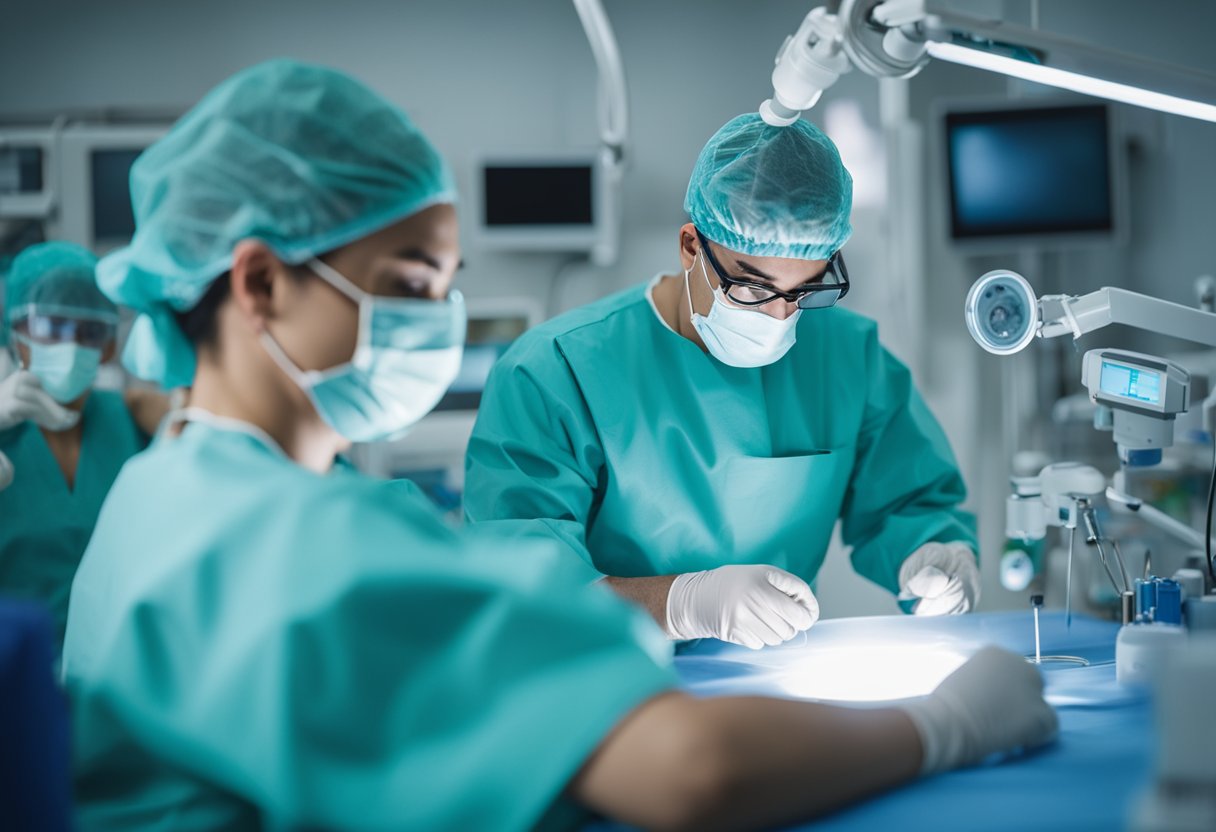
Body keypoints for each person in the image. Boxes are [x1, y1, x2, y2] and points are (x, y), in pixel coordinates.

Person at [62, 60, 1056, 831]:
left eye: (444, 287)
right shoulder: (280, 540)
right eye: (410, 285)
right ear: (258, 283)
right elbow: (688, 771)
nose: (438, 323)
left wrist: (931, 549)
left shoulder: (166, 490)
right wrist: (945, 724)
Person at [464, 114, 981, 649]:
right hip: (605, 688)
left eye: (804, 291)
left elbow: (910, 501)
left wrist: (935, 556)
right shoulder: (554, 371)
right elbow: (524, 587)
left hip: (774, 682)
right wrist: (683, 605)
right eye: (752, 288)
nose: (780, 317)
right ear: (691, 246)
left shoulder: (847, 355)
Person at [0, 242, 151, 647]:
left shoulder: (131, 418)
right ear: (14, 333)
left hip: (113, 674)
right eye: (50, 327)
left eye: (91, 331)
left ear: (109, 346)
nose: (71, 345)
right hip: (15, 675)